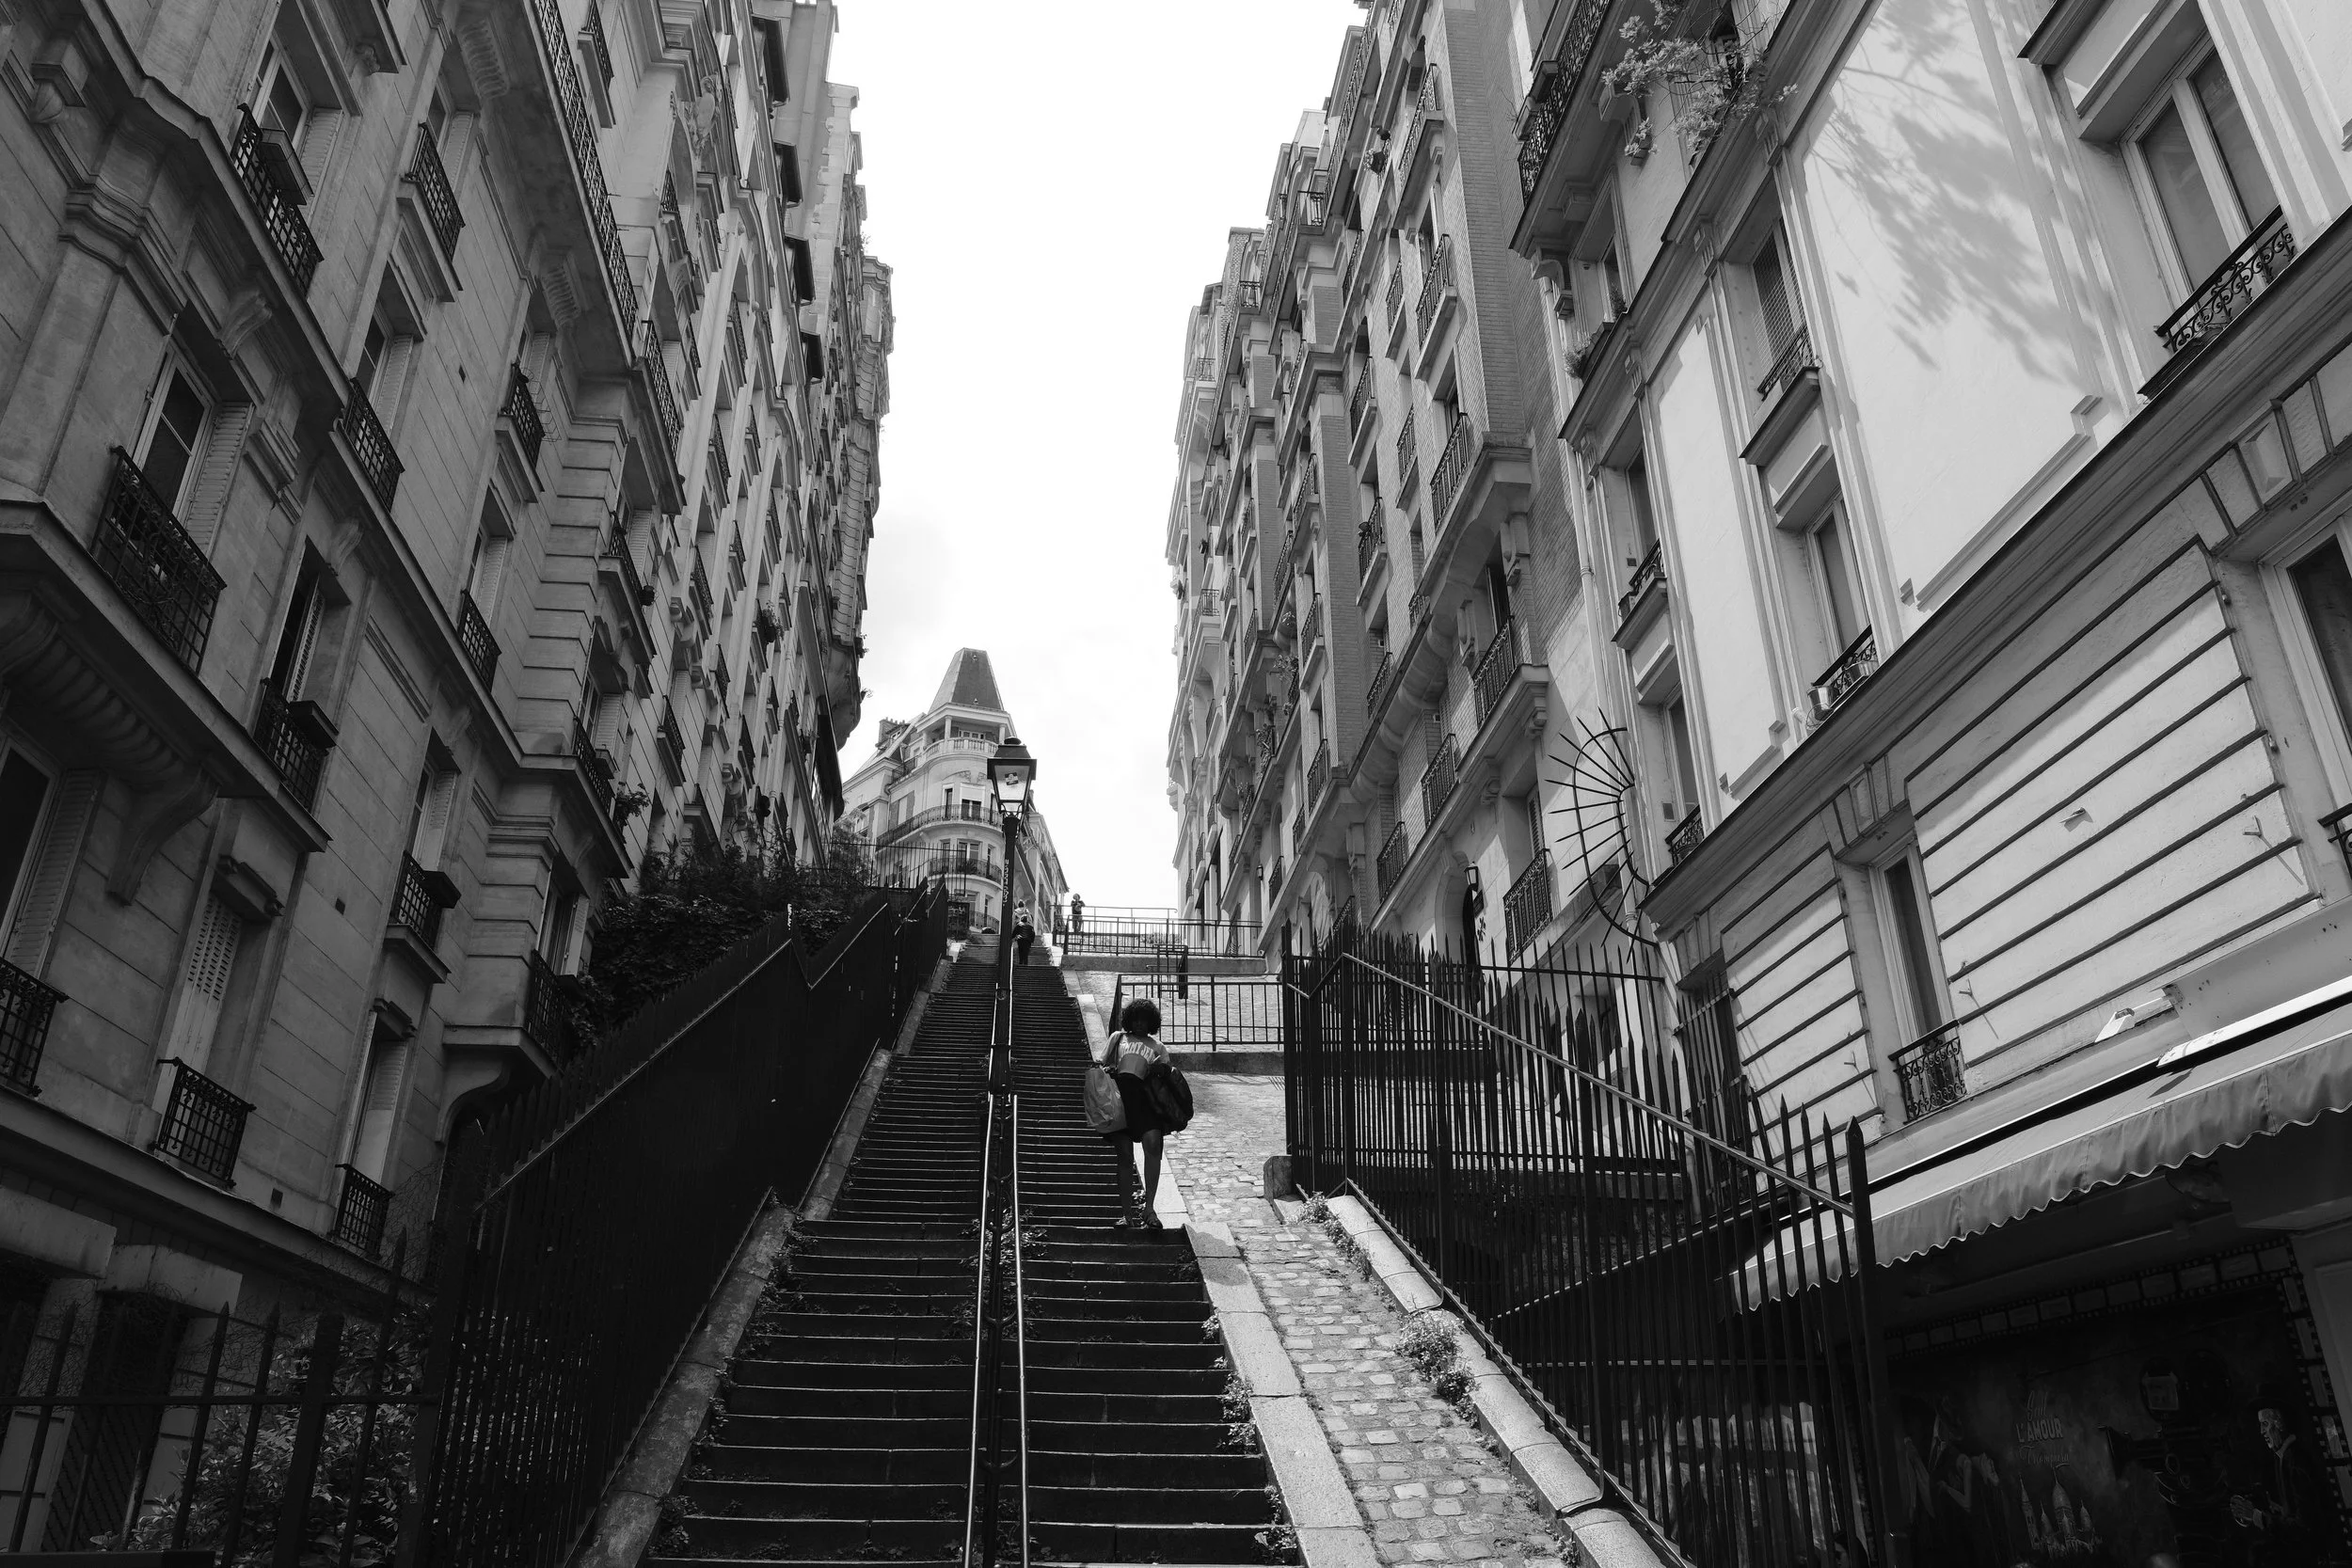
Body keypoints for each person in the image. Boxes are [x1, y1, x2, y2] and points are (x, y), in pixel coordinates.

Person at [1101, 997, 1179, 1227]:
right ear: (1129, 1020)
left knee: (1154, 1145)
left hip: (1146, 1102)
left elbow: (1167, 1077)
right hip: (1120, 1101)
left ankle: (1150, 1210)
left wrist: (1160, 1069)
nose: (1140, 1024)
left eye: (1145, 1020)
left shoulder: (1158, 1047)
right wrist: (1106, 1069)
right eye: (1136, 1019)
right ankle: (1127, 1214)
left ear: (1152, 1022)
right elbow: (1100, 1062)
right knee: (1124, 1155)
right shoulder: (1118, 1038)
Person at [1012, 902, 1036, 967]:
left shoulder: (1015, 911)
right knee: (1026, 951)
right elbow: (1033, 933)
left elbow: (1013, 919)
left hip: (1020, 937)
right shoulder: (1026, 910)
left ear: (1018, 905)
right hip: (1027, 939)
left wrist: (1012, 937)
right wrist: (1032, 940)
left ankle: (1020, 962)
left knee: (1020, 950)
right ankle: (1025, 964)